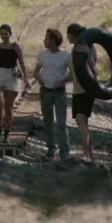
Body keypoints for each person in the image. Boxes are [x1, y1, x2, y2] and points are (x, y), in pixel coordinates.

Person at [33, 28, 72, 160]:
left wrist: (63, 81)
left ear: (53, 40)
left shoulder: (66, 55)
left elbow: (73, 73)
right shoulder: (42, 54)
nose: (44, 41)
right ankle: (51, 148)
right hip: (46, 91)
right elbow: (35, 72)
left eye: (46, 38)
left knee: (61, 123)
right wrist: (40, 80)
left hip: (60, 92)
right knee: (47, 121)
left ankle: (64, 152)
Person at [66, 22, 96, 162]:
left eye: (68, 34)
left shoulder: (86, 48)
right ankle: (89, 155)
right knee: (83, 123)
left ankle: (86, 155)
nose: (67, 37)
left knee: (81, 121)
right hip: (77, 90)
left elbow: (94, 69)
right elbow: (74, 73)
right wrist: (60, 81)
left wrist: (88, 53)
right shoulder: (76, 49)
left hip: (85, 90)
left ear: (73, 35)